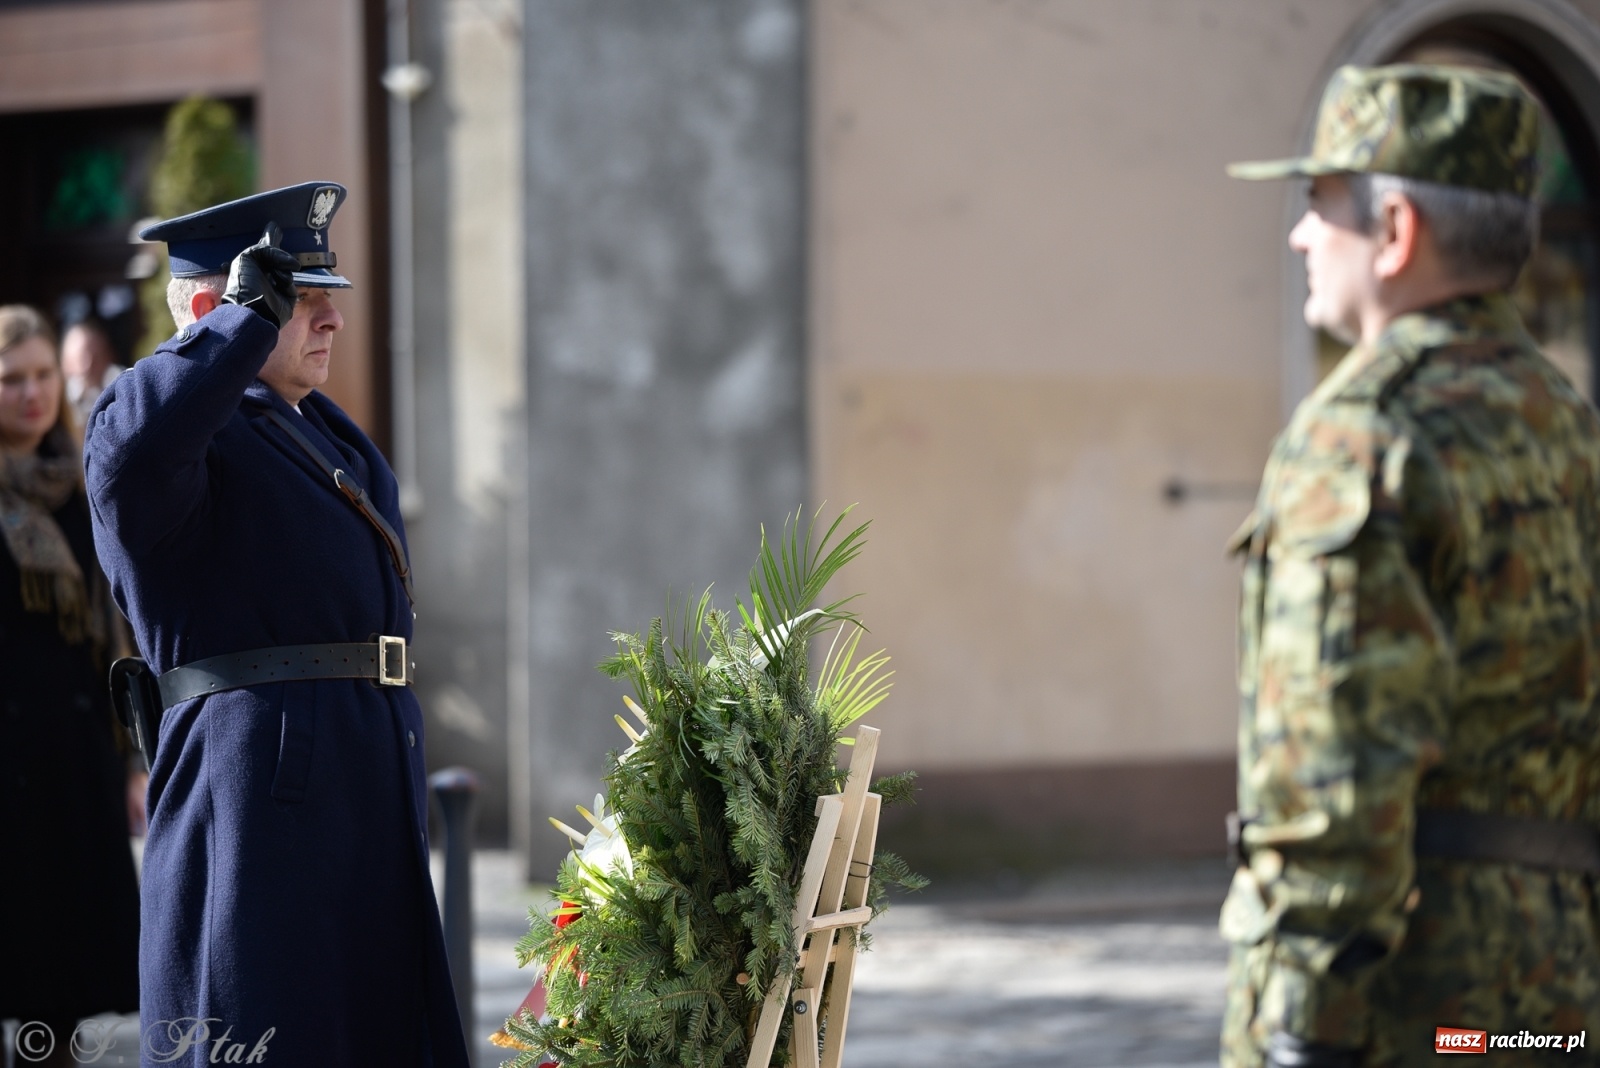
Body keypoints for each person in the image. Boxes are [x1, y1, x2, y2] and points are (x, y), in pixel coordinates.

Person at [1221, 64, 1600, 1067]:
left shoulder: (1366, 434)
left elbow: (1335, 773)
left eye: (1319, 205)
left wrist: (1302, 1026)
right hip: (1550, 998)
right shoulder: (1567, 426)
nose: (1301, 235)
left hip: (1406, 1002)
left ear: (1394, 234)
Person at [83, 183, 469, 1065]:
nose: (330, 319)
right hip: (258, 810)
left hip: (358, 797)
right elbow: (133, 454)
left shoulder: (318, 431)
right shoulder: (161, 426)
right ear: (223, 309)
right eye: (301, 298)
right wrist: (237, 328)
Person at [0, 305, 140, 1065]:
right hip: (7, 756)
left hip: (76, 753)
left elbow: (112, 628)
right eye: (11, 378)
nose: (31, 393)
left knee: (64, 987)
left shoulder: (87, 481)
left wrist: (127, 761)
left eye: (43, 375)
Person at [60, 316, 125, 426]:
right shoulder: (59, 400)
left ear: (108, 357)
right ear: (65, 363)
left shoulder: (123, 387)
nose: (88, 366)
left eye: (96, 358)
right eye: (81, 359)